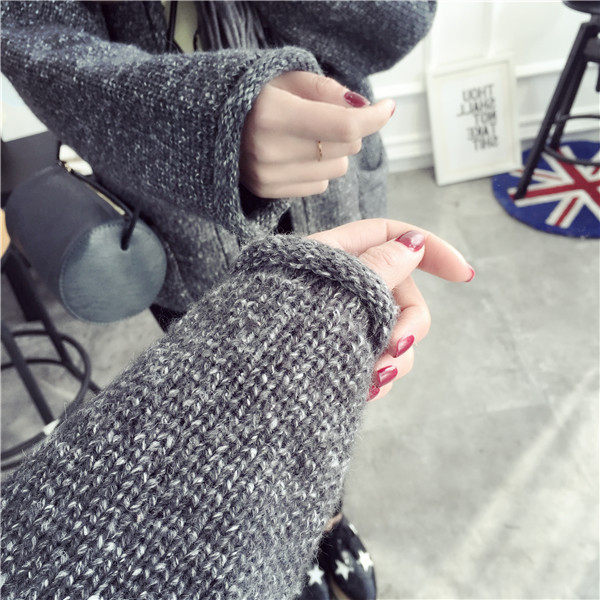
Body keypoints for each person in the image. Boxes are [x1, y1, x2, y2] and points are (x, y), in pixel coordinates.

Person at [0, 2, 437, 597]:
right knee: (236, 410)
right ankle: (282, 535)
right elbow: (38, 42)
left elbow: (399, 21)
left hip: (337, 175)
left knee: (335, 387)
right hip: (183, 209)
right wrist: (196, 122)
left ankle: (326, 520)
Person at [0, 219, 474, 600]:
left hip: (325, 220)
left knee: (316, 433)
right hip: (191, 239)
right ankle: (282, 546)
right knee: (217, 435)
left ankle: (324, 524)